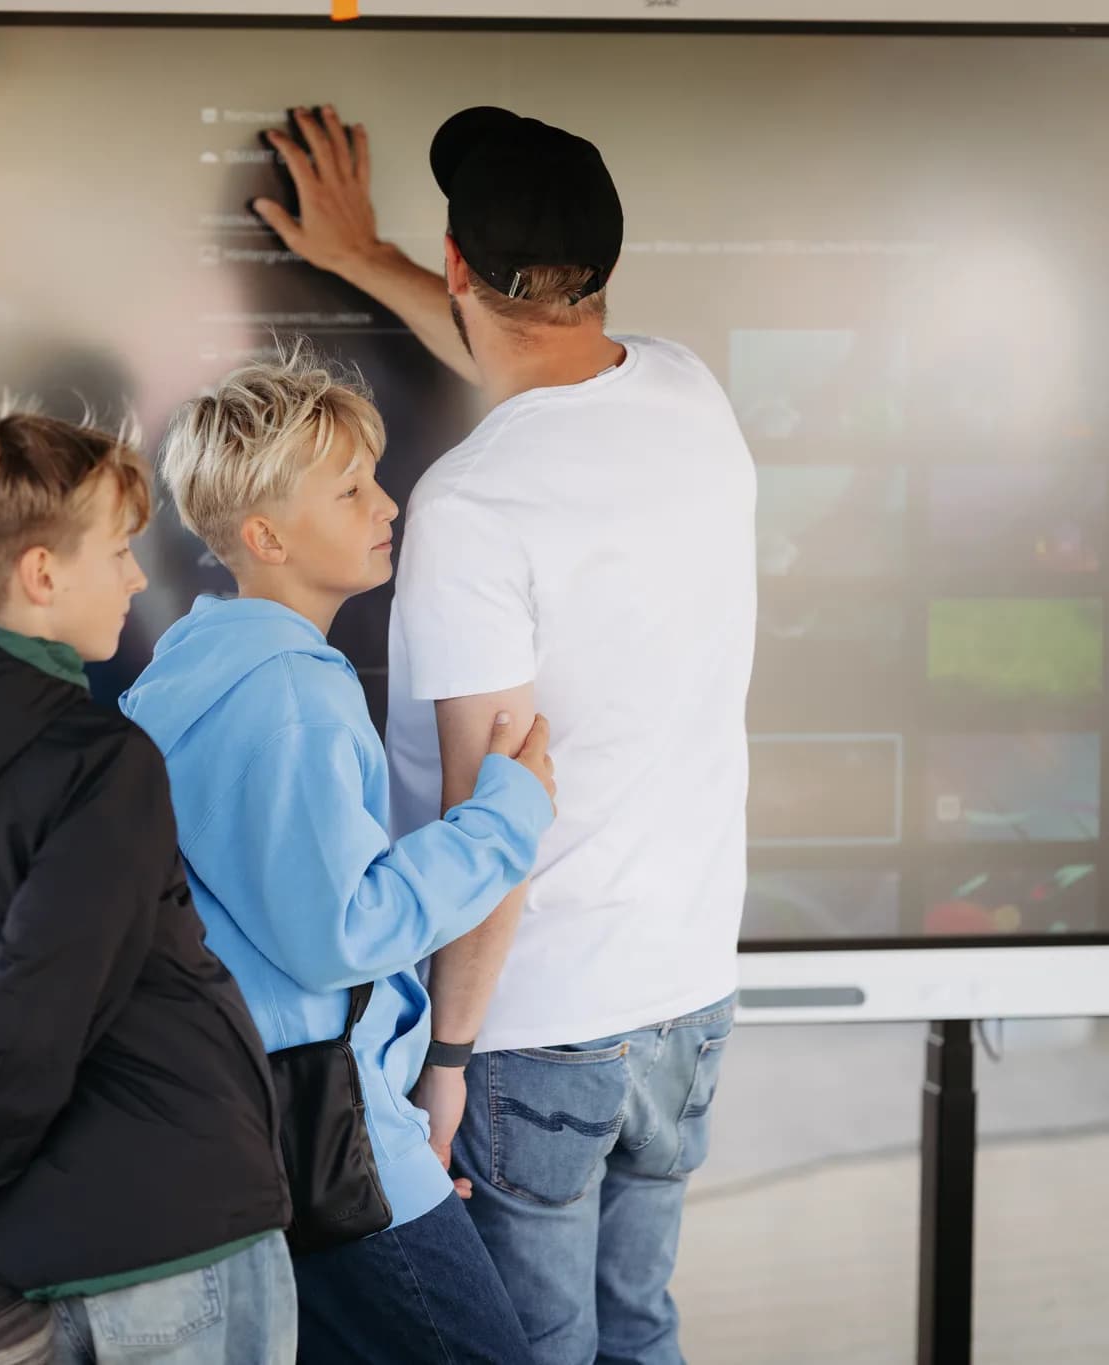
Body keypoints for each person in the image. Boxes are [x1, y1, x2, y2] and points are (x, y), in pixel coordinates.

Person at [253, 105, 757, 1364]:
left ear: (456, 261)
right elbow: (536, 366)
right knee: (638, 1329)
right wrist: (363, 259)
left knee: (533, 1350)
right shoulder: (689, 393)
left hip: (536, 1022)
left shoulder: (472, 506)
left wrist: (446, 1056)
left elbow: (491, 812)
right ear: (603, 269)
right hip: (686, 991)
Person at [120, 347, 556, 1365]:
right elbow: (341, 930)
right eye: (350, 488)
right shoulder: (289, 695)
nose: (387, 504)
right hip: (335, 1141)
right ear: (265, 536)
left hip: (262, 1130)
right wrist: (508, 814)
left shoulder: (191, 671)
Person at [0, 406, 296, 1363]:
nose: (137, 576)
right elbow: (32, 1014)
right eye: (118, 550)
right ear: (41, 574)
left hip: (26, 1247)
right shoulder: (102, 761)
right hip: (176, 1231)